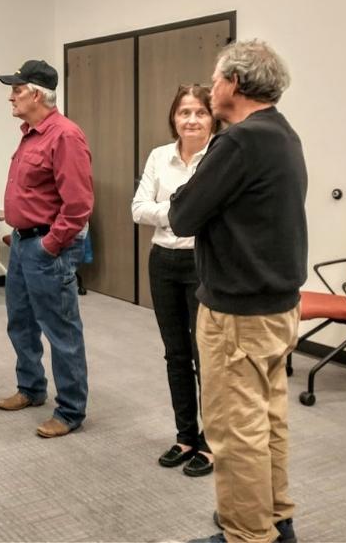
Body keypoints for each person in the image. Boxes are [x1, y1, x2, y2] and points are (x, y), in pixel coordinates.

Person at [170, 40, 305, 543]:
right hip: (277, 307)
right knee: (267, 419)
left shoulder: (239, 142)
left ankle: (248, 534)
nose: (210, 88)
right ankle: (274, 517)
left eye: (215, 78)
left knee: (234, 429)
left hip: (238, 314)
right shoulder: (282, 133)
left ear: (234, 83)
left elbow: (183, 214)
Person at [0, 59, 94, 438]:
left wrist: (51, 245)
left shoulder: (65, 136)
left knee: (61, 331)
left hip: (47, 247)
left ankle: (70, 410)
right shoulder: (31, 134)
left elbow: (79, 204)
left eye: (17, 90)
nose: (11, 97)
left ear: (36, 94)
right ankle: (31, 388)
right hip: (23, 243)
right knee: (20, 322)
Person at [131, 84, 219, 477]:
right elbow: (138, 209)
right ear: (174, 118)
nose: (192, 120)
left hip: (203, 262)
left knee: (206, 356)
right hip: (162, 261)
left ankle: (212, 441)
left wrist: (167, 211)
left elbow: (215, 214)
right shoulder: (159, 156)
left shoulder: (217, 157)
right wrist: (182, 213)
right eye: (184, 112)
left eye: (200, 112)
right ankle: (185, 436)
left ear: (213, 118)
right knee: (175, 353)